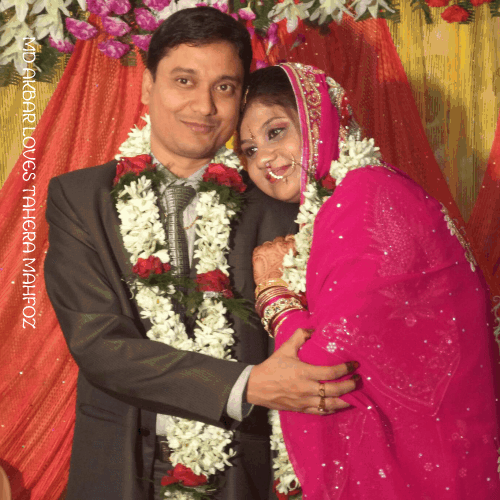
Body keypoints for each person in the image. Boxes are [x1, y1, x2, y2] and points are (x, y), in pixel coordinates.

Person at [44, 9, 358, 500]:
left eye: (224, 87)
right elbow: (98, 342)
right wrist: (245, 385)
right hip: (119, 466)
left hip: (242, 470)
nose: (204, 106)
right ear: (147, 86)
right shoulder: (80, 199)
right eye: (184, 80)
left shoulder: (279, 202)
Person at [239, 63, 500, 499]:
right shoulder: (366, 192)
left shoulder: (365, 196)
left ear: (319, 118)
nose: (263, 157)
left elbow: (326, 373)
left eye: (276, 131)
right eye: (249, 150)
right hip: (450, 456)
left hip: (421, 470)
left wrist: (275, 295)